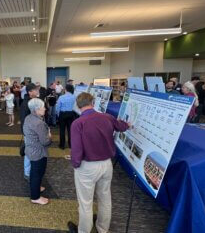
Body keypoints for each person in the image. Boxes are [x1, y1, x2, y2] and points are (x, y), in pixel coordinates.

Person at [67, 93, 130, 233]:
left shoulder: (78, 123)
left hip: (87, 167)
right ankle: (102, 229)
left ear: (78, 105)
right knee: (105, 198)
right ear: (93, 102)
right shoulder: (106, 117)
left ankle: (84, 231)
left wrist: (76, 164)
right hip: (107, 165)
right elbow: (122, 126)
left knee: (85, 203)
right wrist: (128, 124)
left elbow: (76, 149)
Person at [23, 98, 52, 205]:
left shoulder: (28, 117)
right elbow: (45, 142)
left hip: (31, 149)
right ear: (36, 109)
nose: (45, 109)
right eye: (43, 107)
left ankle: (37, 187)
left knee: (36, 172)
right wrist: (49, 136)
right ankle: (35, 197)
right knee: (37, 173)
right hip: (38, 152)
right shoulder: (39, 123)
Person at [20, 83, 39, 181]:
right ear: (30, 92)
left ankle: (29, 171)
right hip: (29, 132)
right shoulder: (26, 103)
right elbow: (25, 120)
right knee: (28, 153)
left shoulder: (31, 101)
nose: (37, 91)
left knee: (31, 152)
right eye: (36, 90)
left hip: (32, 132)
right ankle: (27, 173)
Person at [56, 84, 76, 149]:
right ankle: (71, 145)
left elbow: (58, 107)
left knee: (62, 130)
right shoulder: (74, 97)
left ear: (66, 89)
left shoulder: (61, 97)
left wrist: (58, 115)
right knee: (70, 130)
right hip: (71, 114)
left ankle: (62, 145)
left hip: (63, 114)